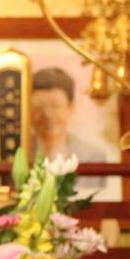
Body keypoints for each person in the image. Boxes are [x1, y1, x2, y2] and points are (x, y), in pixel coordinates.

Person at [29, 66, 118, 201]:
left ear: (71, 107)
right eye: (39, 106)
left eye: (55, 106)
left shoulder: (94, 156)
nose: (47, 114)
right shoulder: (16, 153)